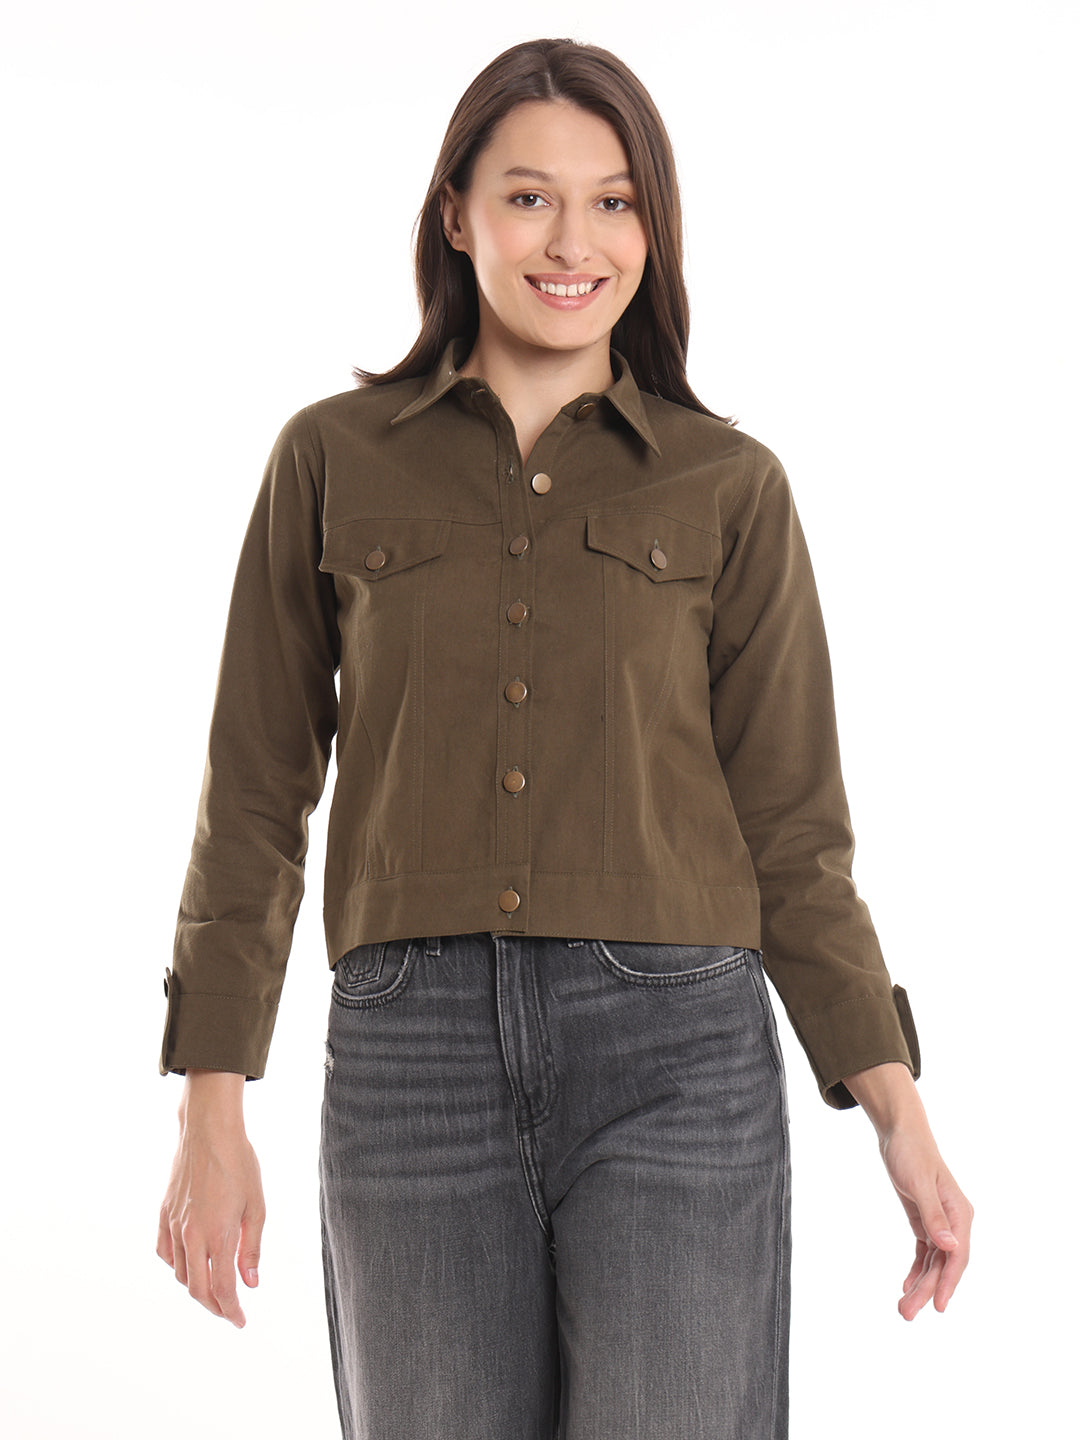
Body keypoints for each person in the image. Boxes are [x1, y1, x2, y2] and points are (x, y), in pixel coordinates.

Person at [157, 37, 972, 1440]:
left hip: (677, 1053)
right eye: (529, 197)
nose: (572, 242)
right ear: (455, 213)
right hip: (410, 1060)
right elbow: (253, 799)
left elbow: (793, 832)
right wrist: (208, 1108)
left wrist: (898, 1113)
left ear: (654, 230)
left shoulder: (731, 488)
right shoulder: (330, 458)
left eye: (614, 202)